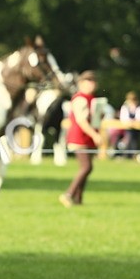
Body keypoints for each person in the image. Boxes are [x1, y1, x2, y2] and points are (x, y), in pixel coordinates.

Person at [60, 70, 102, 207]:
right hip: (79, 138)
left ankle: (78, 200)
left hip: (86, 138)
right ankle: (69, 194)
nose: (92, 85)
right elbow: (81, 121)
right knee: (86, 167)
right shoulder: (80, 99)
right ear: (81, 83)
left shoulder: (92, 99)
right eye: (89, 82)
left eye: (93, 82)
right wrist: (94, 134)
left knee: (87, 168)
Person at [111, 91, 140, 157]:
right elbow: (123, 118)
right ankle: (125, 155)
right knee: (127, 138)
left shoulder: (139, 107)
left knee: (133, 139)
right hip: (125, 128)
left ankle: (130, 155)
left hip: (135, 128)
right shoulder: (125, 107)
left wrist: (134, 122)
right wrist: (129, 122)